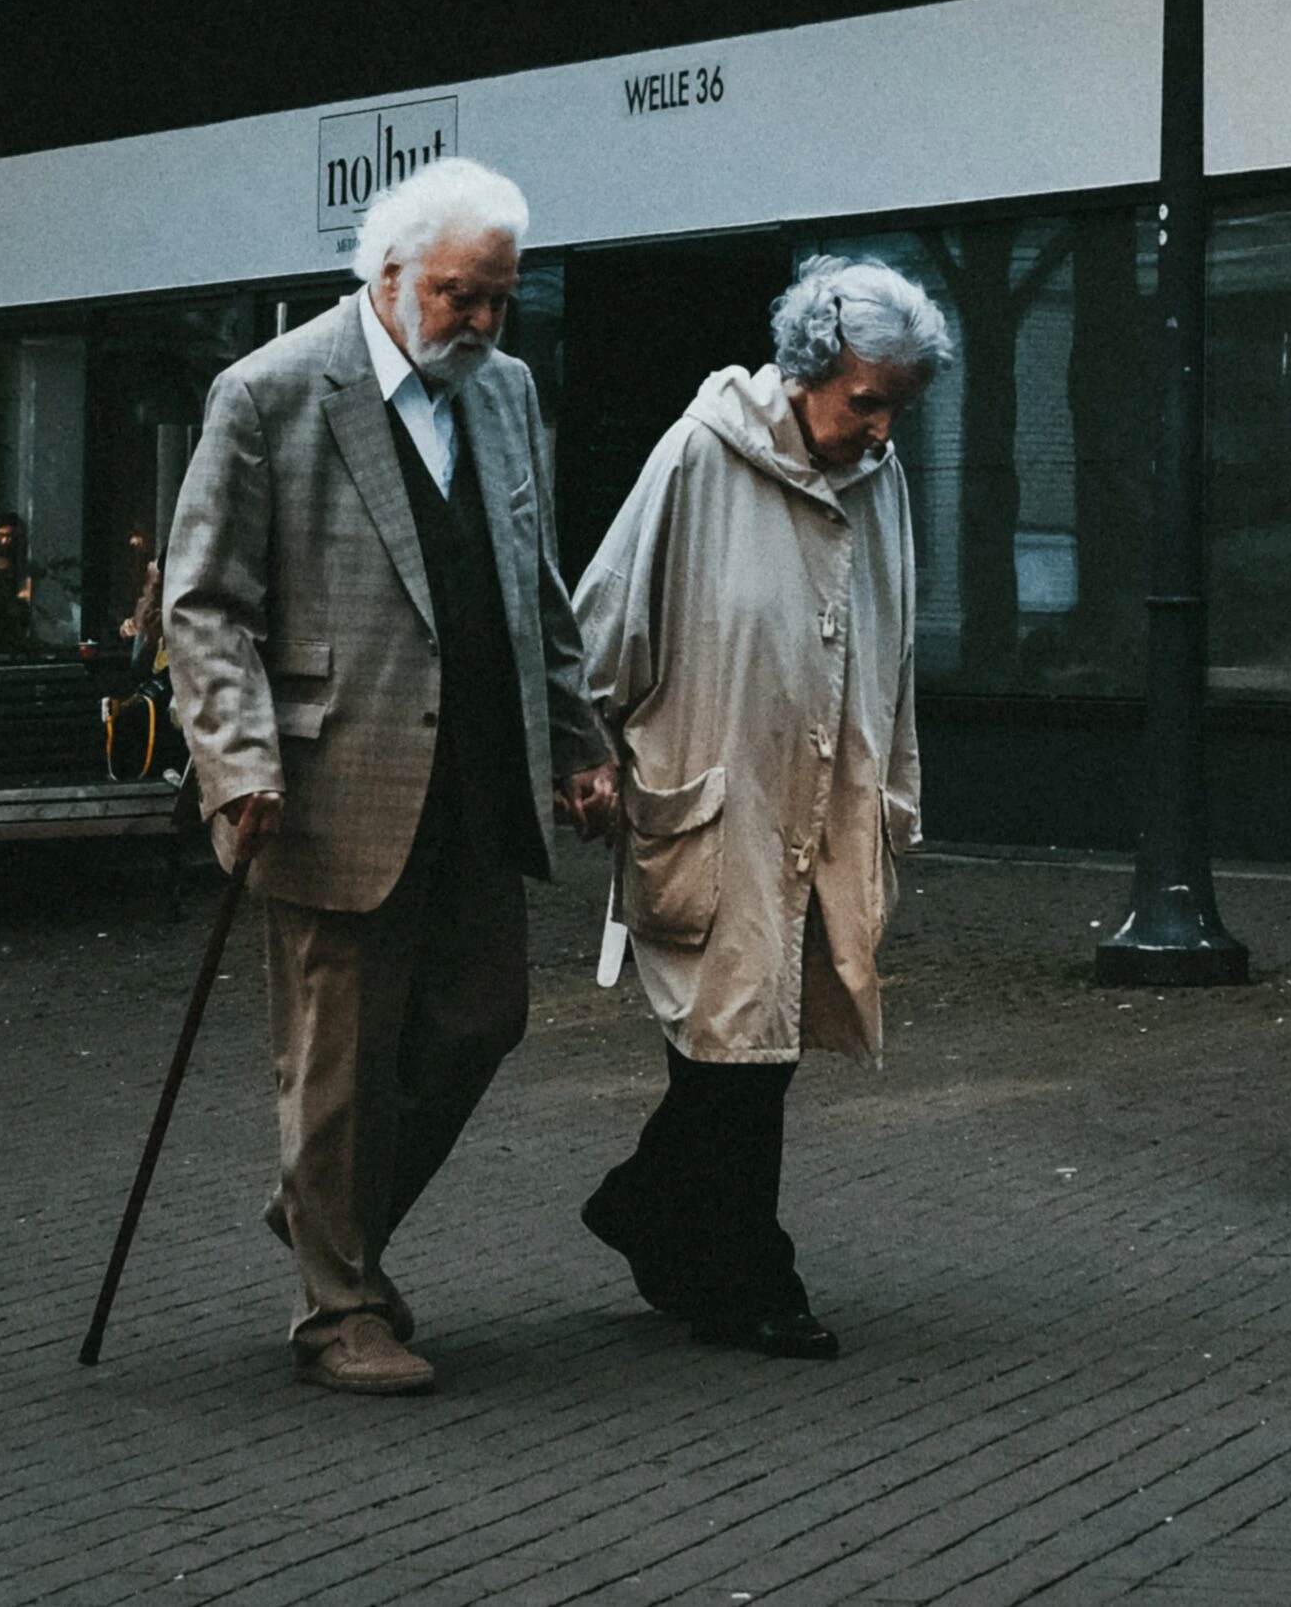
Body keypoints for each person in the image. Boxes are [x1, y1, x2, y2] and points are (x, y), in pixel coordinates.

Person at [163, 157, 614, 1395]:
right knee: (342, 1059)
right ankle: (339, 1309)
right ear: (391, 273)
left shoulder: (507, 391)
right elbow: (203, 605)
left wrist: (577, 745)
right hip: (324, 782)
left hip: (478, 771)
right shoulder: (270, 393)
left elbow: (536, 585)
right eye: (461, 296)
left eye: (499, 300)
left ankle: (322, 1212)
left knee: (483, 1019)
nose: (479, 322)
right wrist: (237, 762)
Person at [573, 255, 948, 1361]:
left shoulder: (881, 484)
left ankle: (652, 1213)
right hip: (718, 785)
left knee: (761, 1036)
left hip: (828, 795)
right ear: (807, 371)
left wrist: (897, 785)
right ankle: (748, 1276)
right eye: (865, 400)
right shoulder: (701, 454)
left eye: (897, 409)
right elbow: (606, 611)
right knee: (735, 1035)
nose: (879, 430)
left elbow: (899, 645)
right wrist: (585, 748)